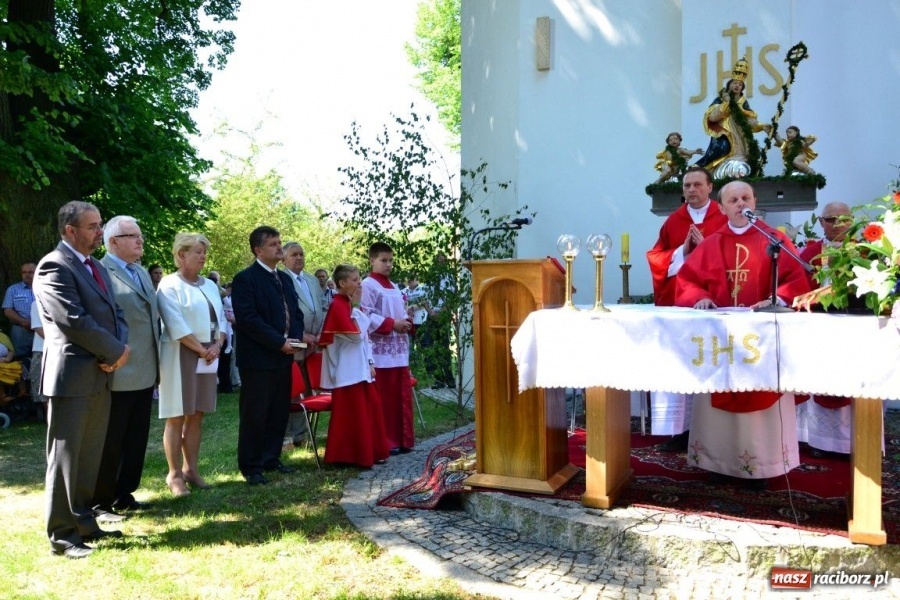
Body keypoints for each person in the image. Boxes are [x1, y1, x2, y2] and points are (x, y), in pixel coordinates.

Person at [674, 181, 811, 488]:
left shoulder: (774, 239)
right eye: (733, 199)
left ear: (754, 200)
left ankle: (763, 467)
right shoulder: (711, 244)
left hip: (764, 341)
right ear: (721, 208)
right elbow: (687, 280)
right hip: (721, 340)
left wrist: (779, 298)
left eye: (745, 197)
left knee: (761, 395)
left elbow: (796, 279)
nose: (740, 203)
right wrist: (699, 297)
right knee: (719, 396)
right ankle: (718, 464)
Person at [33, 200, 130, 559]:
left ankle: (85, 524)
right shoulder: (54, 266)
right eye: (92, 226)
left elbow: (115, 311)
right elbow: (72, 320)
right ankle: (62, 535)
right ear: (70, 230)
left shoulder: (94, 267)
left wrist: (119, 349)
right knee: (65, 458)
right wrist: (113, 352)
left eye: (100, 224)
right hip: (72, 377)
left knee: (88, 457)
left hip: (100, 373)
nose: (99, 232)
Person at [645, 166, 728, 446]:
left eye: (696, 185)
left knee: (711, 365)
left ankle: (714, 429)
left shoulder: (725, 216)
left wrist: (706, 250)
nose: (691, 190)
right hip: (680, 304)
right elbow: (657, 257)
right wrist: (683, 251)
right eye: (686, 186)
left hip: (714, 303)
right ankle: (679, 432)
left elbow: (736, 254)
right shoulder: (673, 222)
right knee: (680, 364)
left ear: (709, 187)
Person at [93, 216, 160, 514]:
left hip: (146, 369)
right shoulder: (99, 271)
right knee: (111, 440)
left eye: (140, 234)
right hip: (117, 371)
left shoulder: (142, 272)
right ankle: (101, 500)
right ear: (113, 242)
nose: (140, 240)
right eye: (132, 235)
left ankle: (125, 493)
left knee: (136, 438)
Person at [232, 226, 304, 485]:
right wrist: (278, 342)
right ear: (258, 250)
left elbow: (295, 312)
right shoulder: (245, 279)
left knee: (278, 411)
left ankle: (271, 458)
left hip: (284, 356)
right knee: (255, 413)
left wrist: (294, 339)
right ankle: (251, 466)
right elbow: (248, 319)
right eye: (273, 244)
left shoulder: (284, 279)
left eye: (279, 242)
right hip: (259, 358)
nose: (279, 247)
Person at [156, 233, 226, 496]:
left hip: (207, 353)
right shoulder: (169, 284)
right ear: (181, 254)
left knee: (197, 413)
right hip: (179, 353)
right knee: (176, 414)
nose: (203, 256)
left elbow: (221, 320)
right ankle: (173, 475)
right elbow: (174, 323)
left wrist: (217, 346)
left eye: (204, 252)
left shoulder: (208, 285)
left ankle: (191, 469)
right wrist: (201, 349)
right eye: (198, 251)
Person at [795, 202, 853, 457]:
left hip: (852, 328)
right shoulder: (809, 254)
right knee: (815, 379)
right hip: (815, 327)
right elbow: (795, 286)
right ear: (820, 222)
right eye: (831, 219)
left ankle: (849, 442)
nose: (837, 224)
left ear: (852, 221)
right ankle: (816, 440)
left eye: (843, 219)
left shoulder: (865, 252)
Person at [319, 264, 390, 467]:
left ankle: (371, 452)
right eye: (354, 280)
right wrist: (357, 307)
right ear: (342, 283)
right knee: (352, 414)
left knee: (368, 410)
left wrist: (370, 362)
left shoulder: (348, 304)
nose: (359, 283)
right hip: (347, 370)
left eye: (359, 278)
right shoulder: (338, 305)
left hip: (360, 367)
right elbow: (356, 336)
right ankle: (347, 455)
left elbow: (364, 337)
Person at [361, 242, 414, 454]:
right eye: (383, 260)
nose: (388, 264)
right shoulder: (368, 285)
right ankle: (387, 441)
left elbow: (397, 311)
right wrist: (393, 324)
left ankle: (403, 439)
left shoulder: (394, 286)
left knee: (400, 396)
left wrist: (407, 321)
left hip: (399, 350)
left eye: (390, 260)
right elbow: (365, 315)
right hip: (380, 351)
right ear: (372, 260)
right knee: (385, 399)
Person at [281, 242, 326, 447]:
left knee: (308, 386)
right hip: (295, 341)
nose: (298, 258)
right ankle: (291, 435)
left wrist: (320, 334)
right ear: (284, 259)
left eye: (301, 254)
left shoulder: (311, 280)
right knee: (292, 387)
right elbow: (283, 313)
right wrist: (303, 335)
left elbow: (322, 306)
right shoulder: (281, 279)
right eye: (293, 255)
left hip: (314, 342)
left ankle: (304, 433)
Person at [695, 59, 765, 177]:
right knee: (723, 159)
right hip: (725, 138)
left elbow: (749, 121)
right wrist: (727, 103)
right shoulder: (720, 101)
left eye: (740, 84)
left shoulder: (743, 104)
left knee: (743, 165)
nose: (737, 86)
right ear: (729, 85)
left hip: (741, 141)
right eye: (735, 83)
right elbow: (712, 117)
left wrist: (762, 126)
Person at [3, 260, 37, 359]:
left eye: (30, 272)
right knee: (18, 358)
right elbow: (7, 310)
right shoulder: (13, 289)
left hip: (41, 330)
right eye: (24, 272)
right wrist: (23, 322)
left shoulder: (45, 289)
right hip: (20, 330)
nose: (27, 275)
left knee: (41, 358)